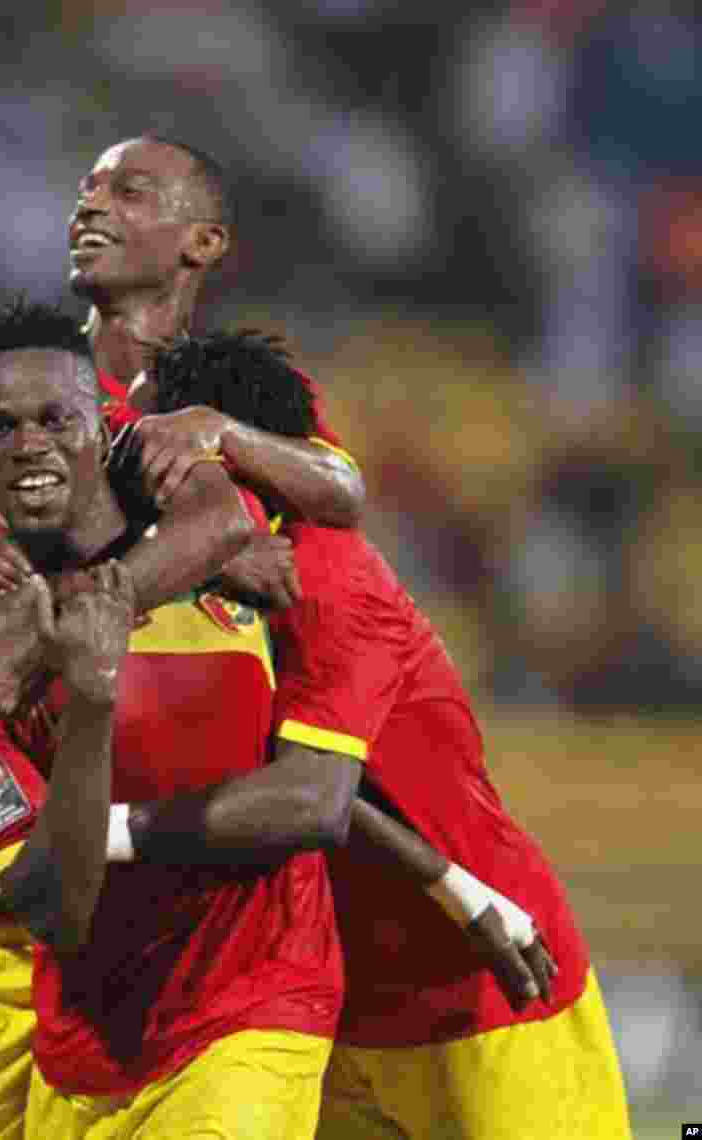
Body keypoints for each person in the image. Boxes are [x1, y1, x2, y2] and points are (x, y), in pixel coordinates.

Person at [0, 299, 354, 1139]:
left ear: (104, 429)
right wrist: (91, 688)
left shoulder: (244, 558)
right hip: (84, 1037)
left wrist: (463, 891)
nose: (28, 443)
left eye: (54, 420)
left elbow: (332, 782)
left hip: (256, 1004)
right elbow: (55, 909)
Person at [131, 330, 634, 1140]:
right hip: (338, 1000)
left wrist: (98, 833)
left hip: (485, 993)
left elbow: (312, 799)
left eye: (154, 459)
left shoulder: (328, 579)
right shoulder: (203, 592)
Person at [0, 133, 364, 588]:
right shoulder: (37, 372)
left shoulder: (229, 378)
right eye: (86, 191)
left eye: (128, 192)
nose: (90, 205)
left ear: (204, 242)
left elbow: (341, 490)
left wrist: (221, 432)